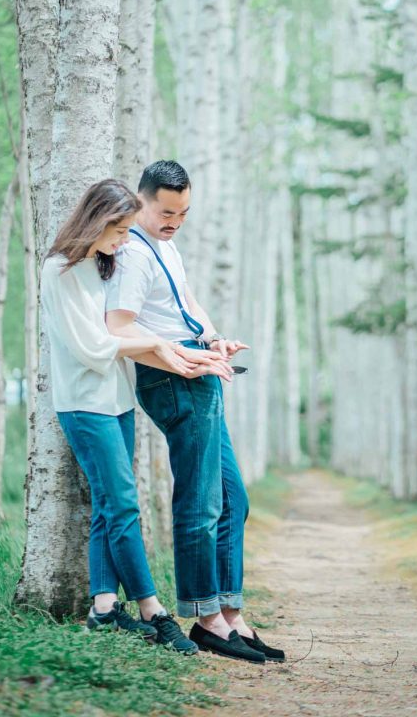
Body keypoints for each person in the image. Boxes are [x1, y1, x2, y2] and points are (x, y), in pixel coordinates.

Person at [106, 161, 285, 664]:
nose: (175, 221)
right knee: (201, 504)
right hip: (174, 378)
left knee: (234, 500)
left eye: (183, 212)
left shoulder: (165, 245)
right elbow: (118, 330)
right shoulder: (132, 256)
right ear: (141, 201)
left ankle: (231, 615)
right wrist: (179, 356)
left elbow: (185, 304)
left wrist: (212, 339)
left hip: (200, 370)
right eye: (166, 211)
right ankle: (206, 618)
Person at [41, 177, 229, 653]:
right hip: (85, 405)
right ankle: (153, 609)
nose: (124, 242)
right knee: (123, 505)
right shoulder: (59, 270)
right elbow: (93, 347)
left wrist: (197, 355)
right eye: (120, 230)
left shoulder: (101, 266)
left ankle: (104, 607)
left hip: (118, 400)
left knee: (110, 504)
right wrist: (160, 345)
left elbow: (145, 323)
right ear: (98, 222)